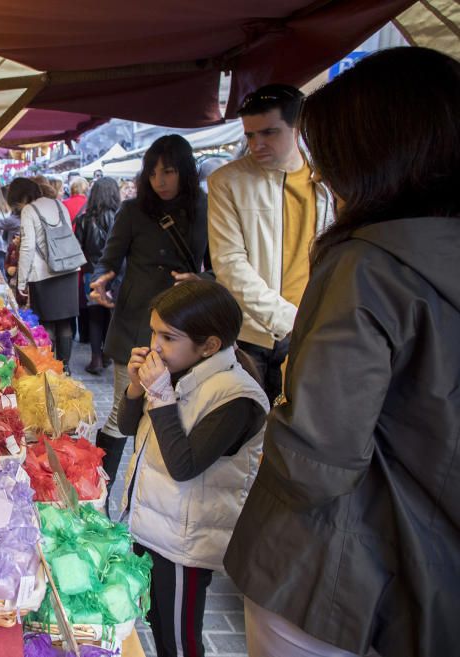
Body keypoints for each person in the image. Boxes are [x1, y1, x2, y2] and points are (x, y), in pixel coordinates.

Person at [224, 47, 460, 657]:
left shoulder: (368, 263)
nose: (324, 174)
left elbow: (315, 457)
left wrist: (270, 423)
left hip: (332, 570)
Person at [118, 279, 268, 657]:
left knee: (178, 642)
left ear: (210, 345)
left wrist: (161, 395)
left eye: (168, 337)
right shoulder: (183, 370)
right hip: (154, 523)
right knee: (156, 621)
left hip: (184, 544)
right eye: (153, 332)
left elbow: (184, 466)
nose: (155, 346)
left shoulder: (236, 397)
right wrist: (137, 387)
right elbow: (125, 428)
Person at [88, 135, 208, 502]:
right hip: (136, 322)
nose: (160, 180)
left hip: (189, 327)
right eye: (153, 172)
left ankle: (159, 496)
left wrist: (202, 281)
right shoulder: (132, 209)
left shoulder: (205, 207)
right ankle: (100, 495)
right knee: (123, 411)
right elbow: (110, 257)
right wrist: (103, 277)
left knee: (178, 411)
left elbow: (220, 266)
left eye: (169, 171)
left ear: (184, 172)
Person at [207, 83, 334, 404]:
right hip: (254, 332)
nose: (256, 144)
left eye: (269, 133)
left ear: (298, 127)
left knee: (302, 423)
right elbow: (229, 264)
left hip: (319, 324)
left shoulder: (330, 176)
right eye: (250, 135)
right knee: (250, 432)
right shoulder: (227, 181)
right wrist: (289, 320)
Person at [8, 177, 82, 369]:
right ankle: (65, 367)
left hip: (44, 273)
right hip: (69, 269)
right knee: (65, 323)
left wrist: (21, 282)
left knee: (47, 324)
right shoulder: (59, 204)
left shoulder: (29, 210)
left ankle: (48, 367)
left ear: (22, 197)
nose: (17, 207)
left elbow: (27, 248)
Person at [74, 176, 119, 374]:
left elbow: (78, 246)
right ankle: (108, 353)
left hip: (91, 272)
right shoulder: (120, 217)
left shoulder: (84, 218)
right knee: (111, 312)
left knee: (94, 315)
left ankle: (96, 359)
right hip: (115, 272)